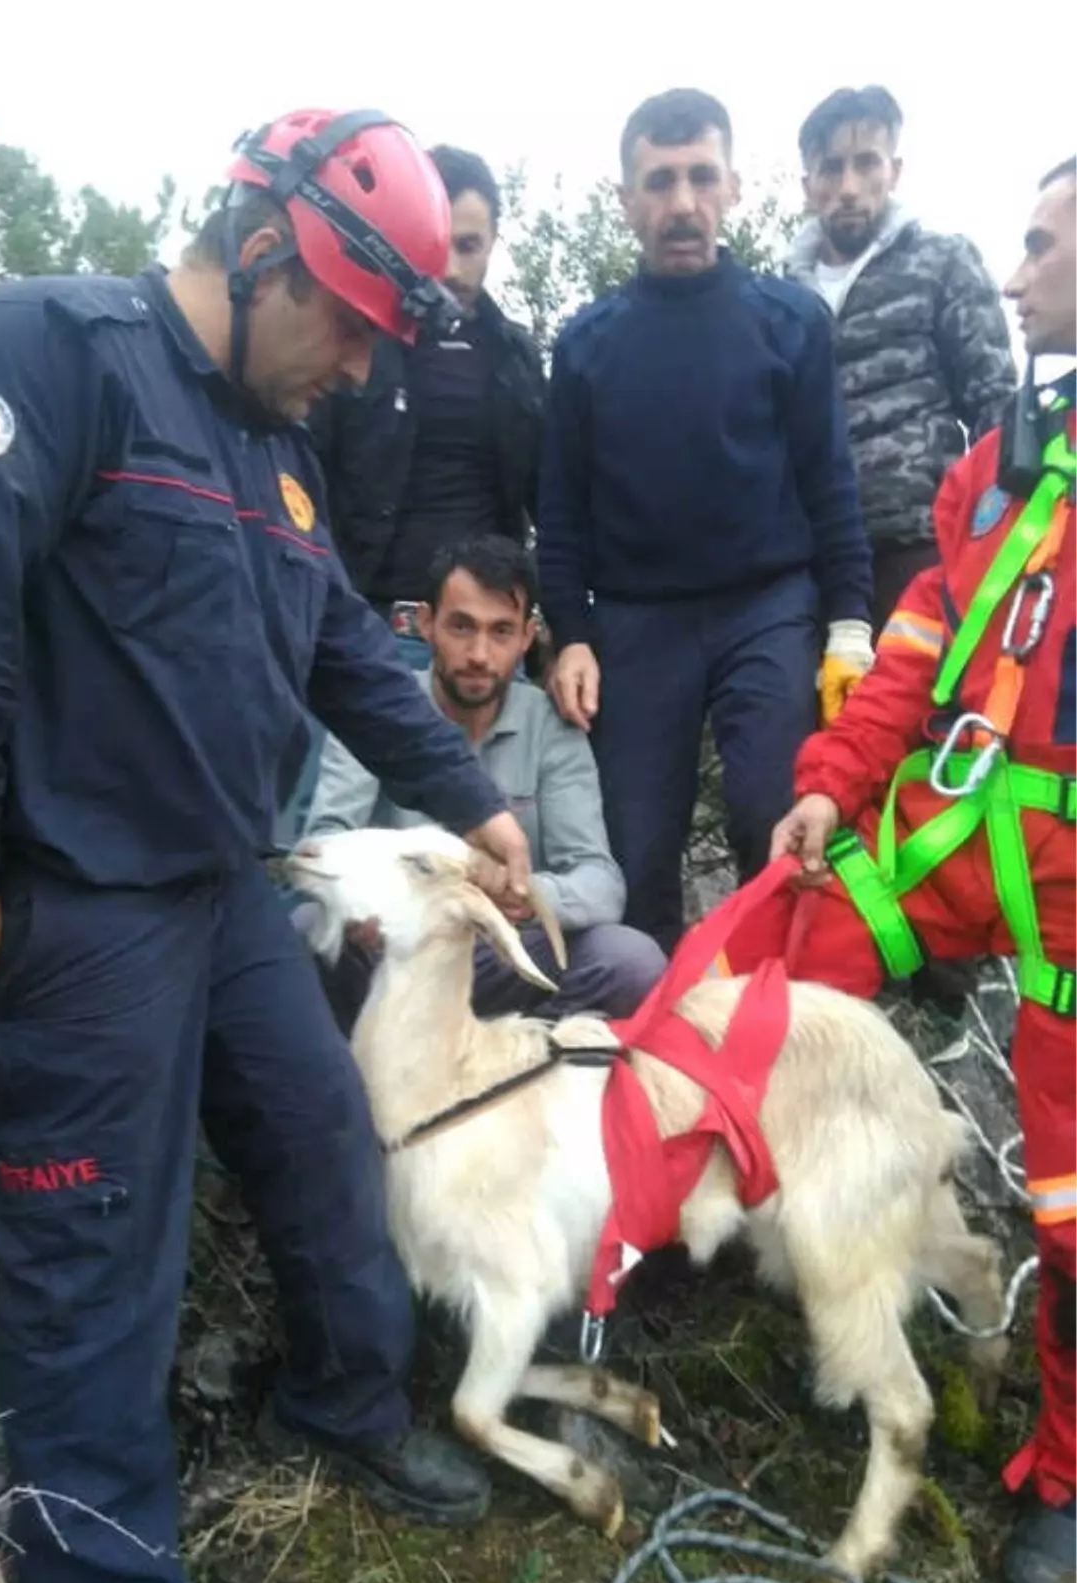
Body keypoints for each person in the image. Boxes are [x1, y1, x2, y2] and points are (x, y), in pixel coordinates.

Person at [0, 109, 537, 1583]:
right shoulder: (51, 356)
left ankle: (344, 1401)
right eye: (352, 325)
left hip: (222, 889)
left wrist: (473, 805)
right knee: (99, 1262)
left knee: (321, 1136)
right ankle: (97, 1572)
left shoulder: (278, 460)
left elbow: (351, 665)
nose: (362, 370)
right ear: (258, 250)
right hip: (77, 909)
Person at [717, 156, 1077, 1583]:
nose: (1011, 274)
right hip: (949, 819)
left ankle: (1065, 1474)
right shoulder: (995, 456)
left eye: (1041, 244)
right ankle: (779, 1248)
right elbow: (920, 652)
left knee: (1072, 1196)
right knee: (777, 958)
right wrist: (822, 787)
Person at [537, 87, 874, 955]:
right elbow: (561, 512)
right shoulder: (583, 345)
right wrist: (571, 633)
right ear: (625, 200)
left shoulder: (791, 321)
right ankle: (649, 1031)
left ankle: (776, 1015)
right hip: (637, 620)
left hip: (767, 604)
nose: (680, 203)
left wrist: (849, 622)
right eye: (657, 181)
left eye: (699, 178)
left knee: (776, 807)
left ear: (730, 188)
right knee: (635, 840)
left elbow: (830, 483)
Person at [299, 535, 668, 1025]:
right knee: (307, 929)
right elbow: (323, 846)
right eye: (461, 626)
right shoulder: (379, 711)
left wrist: (514, 893)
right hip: (394, 949)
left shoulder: (550, 725)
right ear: (426, 624)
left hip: (500, 952)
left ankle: (506, 1069)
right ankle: (363, 1081)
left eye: (500, 632)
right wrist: (372, 901)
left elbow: (599, 884)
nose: (479, 653)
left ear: (527, 635)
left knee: (630, 961)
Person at [785, 84, 1018, 631]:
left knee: (927, 712)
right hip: (812, 562)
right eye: (830, 168)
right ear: (807, 184)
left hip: (925, 541)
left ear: (894, 169)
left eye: (865, 163)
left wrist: (997, 535)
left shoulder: (943, 261)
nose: (848, 187)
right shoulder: (781, 299)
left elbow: (994, 404)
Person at [308, 144, 546, 664]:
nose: (454, 270)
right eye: (438, 247)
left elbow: (553, 504)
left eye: (469, 246)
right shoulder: (353, 344)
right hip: (365, 632)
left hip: (489, 644)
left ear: (492, 244)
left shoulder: (517, 358)